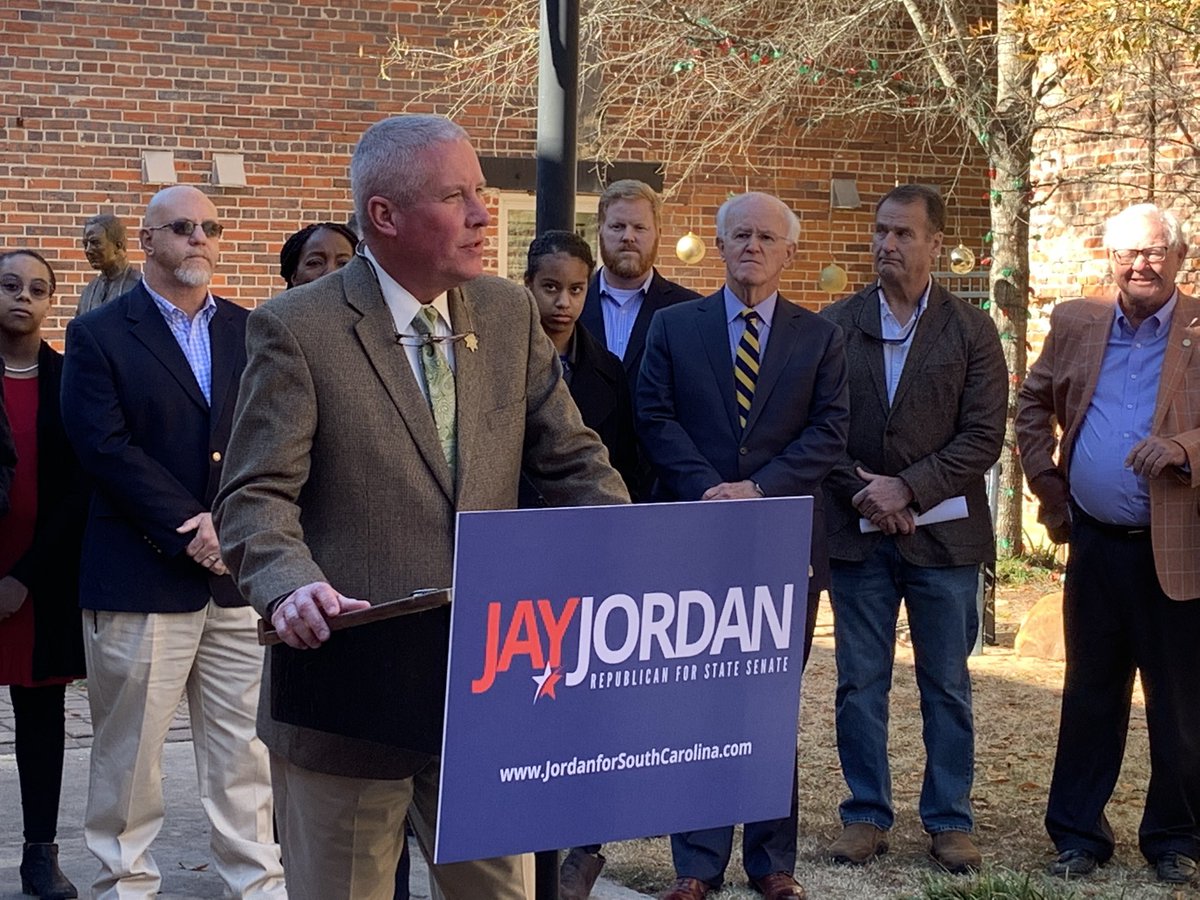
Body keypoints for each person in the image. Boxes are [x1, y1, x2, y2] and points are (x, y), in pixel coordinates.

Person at [213, 114, 629, 900]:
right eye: (457, 196)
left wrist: (637, 553)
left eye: (481, 192)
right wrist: (288, 582)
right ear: (385, 217)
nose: (482, 213)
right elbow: (255, 496)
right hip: (349, 700)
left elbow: (574, 462)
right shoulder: (296, 329)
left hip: (486, 692)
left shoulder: (507, 315)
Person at [60, 185, 286, 900]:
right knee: (131, 757)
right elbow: (101, 447)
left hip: (234, 578)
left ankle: (257, 883)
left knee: (243, 750)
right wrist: (194, 526)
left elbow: (268, 440)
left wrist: (232, 525)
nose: (199, 238)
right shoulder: (100, 333)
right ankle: (124, 885)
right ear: (148, 241)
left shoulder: (252, 331)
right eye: (181, 227)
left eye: (209, 227)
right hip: (139, 575)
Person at [635, 191, 850, 900]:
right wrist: (709, 489)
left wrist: (756, 490)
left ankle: (771, 862)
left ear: (789, 252)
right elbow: (653, 416)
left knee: (767, 703)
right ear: (719, 247)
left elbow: (828, 433)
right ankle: (696, 866)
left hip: (780, 543)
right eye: (740, 236)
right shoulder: (673, 326)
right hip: (694, 536)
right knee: (693, 700)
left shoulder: (820, 339)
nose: (752, 247)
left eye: (766, 237)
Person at [819, 184, 1006, 875]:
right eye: (880, 232)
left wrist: (911, 488)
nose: (886, 245)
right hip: (859, 535)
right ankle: (865, 813)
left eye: (903, 234)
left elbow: (984, 435)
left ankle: (950, 819)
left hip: (945, 542)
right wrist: (870, 495)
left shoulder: (970, 330)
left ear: (936, 245)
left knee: (947, 684)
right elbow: (818, 430)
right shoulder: (835, 325)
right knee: (859, 682)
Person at [1016, 202, 1200, 885]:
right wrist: (1047, 485)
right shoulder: (1077, 321)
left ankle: (1176, 839)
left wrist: (1182, 449)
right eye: (1127, 253)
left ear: (1180, 257)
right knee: (1090, 693)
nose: (1140, 265)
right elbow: (1032, 404)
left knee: (1179, 704)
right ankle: (1078, 835)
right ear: (1109, 258)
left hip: (1176, 547)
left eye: (1154, 253)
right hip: (1094, 544)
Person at [0, 249, 89, 900]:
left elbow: (79, 489)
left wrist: (24, 575)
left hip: (40, 579)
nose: (22, 297)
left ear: (50, 302)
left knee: (40, 719)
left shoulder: (69, 378)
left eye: (37, 288)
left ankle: (40, 855)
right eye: (8, 285)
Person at [524, 229, 640, 501]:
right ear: (529, 283)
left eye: (576, 289)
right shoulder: (502, 361)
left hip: (586, 514)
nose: (564, 302)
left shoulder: (610, 370)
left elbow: (624, 463)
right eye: (550, 287)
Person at [580, 178, 700, 387]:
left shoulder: (690, 312)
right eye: (617, 226)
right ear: (600, 230)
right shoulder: (571, 304)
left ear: (658, 234)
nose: (628, 236)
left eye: (639, 227)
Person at [76, 213, 142, 316]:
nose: (88, 250)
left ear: (118, 245)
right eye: (85, 244)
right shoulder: (88, 292)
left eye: (95, 242)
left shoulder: (140, 287)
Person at [278, 221, 358, 288]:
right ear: (294, 276)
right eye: (315, 262)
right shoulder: (273, 307)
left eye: (343, 263)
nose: (330, 272)